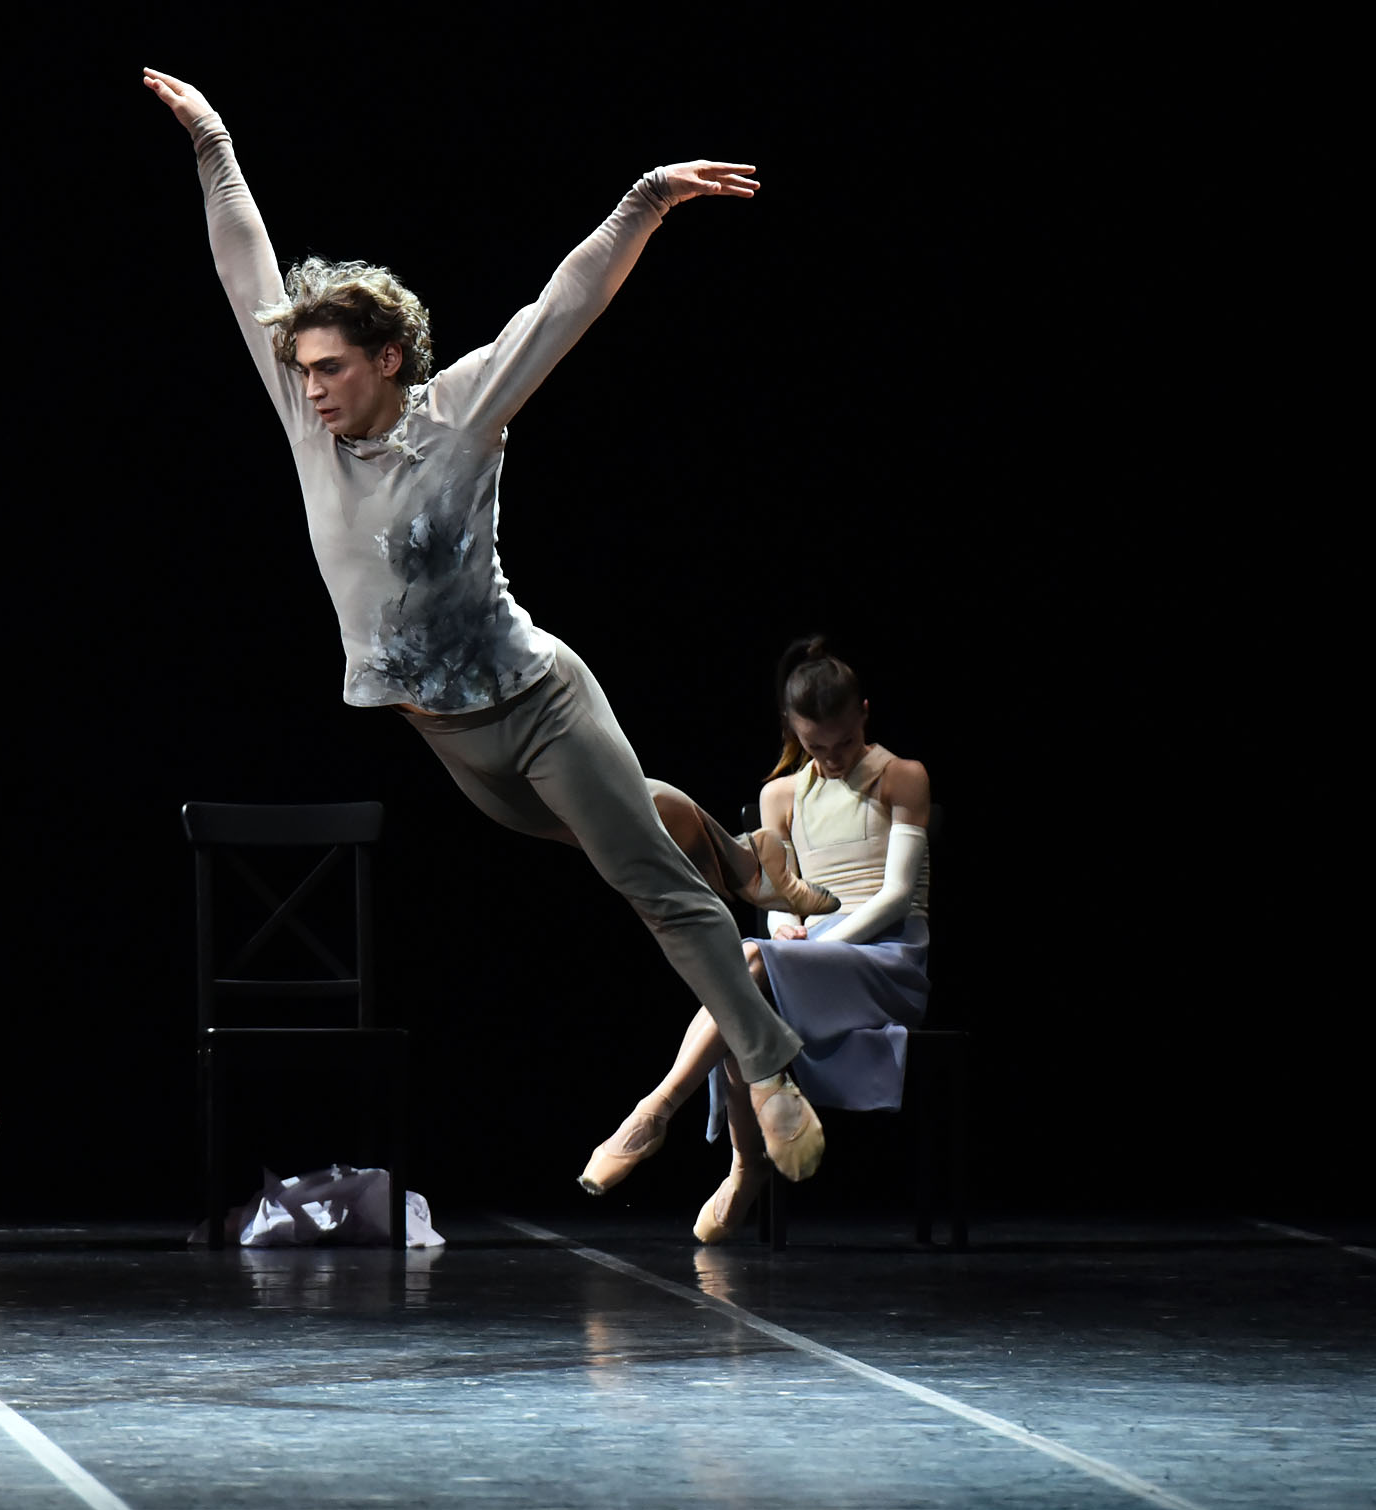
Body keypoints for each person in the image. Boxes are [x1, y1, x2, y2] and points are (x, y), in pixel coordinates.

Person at [142, 68, 838, 1179]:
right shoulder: (307, 425)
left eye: (330, 368)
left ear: (386, 359)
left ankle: (768, 1069)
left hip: (537, 702)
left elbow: (561, 307)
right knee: (626, 832)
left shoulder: (462, 413)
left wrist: (644, 202)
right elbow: (245, 270)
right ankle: (749, 858)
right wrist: (212, 142)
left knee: (649, 887)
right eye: (301, 370)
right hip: (450, 743)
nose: (310, 388)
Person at [576, 638, 932, 1243]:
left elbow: (896, 895)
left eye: (845, 742)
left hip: (884, 957)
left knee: (741, 970)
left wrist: (811, 947)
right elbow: (776, 895)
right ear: (793, 729)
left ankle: (658, 1114)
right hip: (809, 950)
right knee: (745, 987)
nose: (834, 758)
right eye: (817, 747)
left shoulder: (903, 776)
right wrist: (784, 930)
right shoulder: (780, 795)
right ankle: (745, 1163)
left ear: (864, 714)